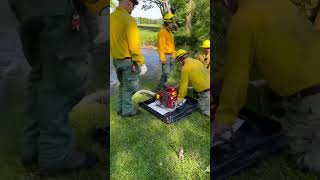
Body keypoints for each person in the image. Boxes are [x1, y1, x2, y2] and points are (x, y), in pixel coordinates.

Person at [213, 0, 320, 172]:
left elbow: (237, 79)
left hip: (311, 98)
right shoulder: (279, 3)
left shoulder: (243, 21)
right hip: (310, 76)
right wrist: (220, 81)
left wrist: (223, 119)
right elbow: (238, 62)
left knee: (305, 159)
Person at [7, 0, 108, 176]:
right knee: (63, 82)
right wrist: (101, 7)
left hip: (25, 7)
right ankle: (56, 154)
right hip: (60, 8)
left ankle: (32, 148)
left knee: (42, 75)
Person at [110, 0, 147, 117]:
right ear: (128, 3)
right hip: (128, 61)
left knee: (122, 85)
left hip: (116, 60)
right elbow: (134, 46)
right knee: (130, 87)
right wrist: (141, 63)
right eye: (133, 5)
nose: (133, 8)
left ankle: (120, 109)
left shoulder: (110, 18)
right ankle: (128, 111)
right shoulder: (129, 20)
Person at [175, 49, 210, 117]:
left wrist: (179, 99)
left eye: (178, 61)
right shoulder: (197, 61)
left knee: (203, 110)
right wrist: (178, 87)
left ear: (180, 60)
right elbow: (193, 79)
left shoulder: (185, 68)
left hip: (206, 92)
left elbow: (184, 86)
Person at [158, 12, 176, 90]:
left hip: (171, 55)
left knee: (170, 74)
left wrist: (174, 55)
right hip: (165, 56)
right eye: (171, 23)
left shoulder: (170, 32)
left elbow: (172, 45)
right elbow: (161, 46)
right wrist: (162, 58)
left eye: (173, 23)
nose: (173, 24)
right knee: (165, 74)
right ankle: (160, 90)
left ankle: (167, 90)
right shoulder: (162, 32)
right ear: (167, 22)